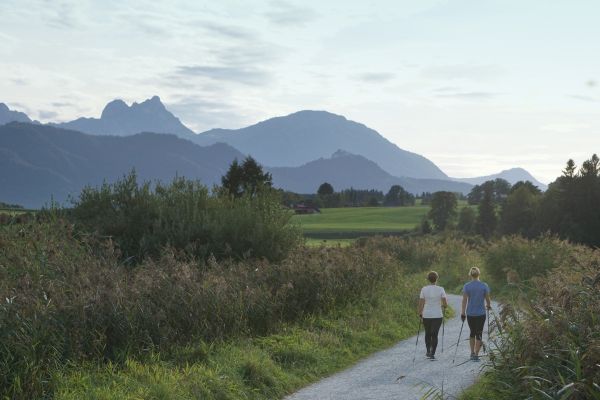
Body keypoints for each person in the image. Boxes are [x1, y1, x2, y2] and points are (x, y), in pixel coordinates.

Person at [461, 267, 491, 361]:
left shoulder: (467, 286)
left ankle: (472, 353)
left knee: (472, 332)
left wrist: (463, 312)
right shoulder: (484, 285)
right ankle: (476, 355)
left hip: (470, 313)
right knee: (479, 333)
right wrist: (488, 306)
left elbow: (464, 300)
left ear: (470, 275)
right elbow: (487, 298)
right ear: (479, 274)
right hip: (481, 313)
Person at [418, 271, 448, 359]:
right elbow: (445, 304)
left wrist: (420, 313)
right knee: (434, 334)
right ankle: (432, 353)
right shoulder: (441, 289)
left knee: (428, 333)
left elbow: (421, 303)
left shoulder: (424, 289)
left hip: (426, 314)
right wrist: (443, 305)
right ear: (437, 279)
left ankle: (428, 350)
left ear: (428, 279)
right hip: (437, 315)